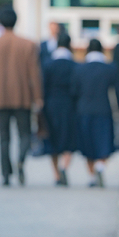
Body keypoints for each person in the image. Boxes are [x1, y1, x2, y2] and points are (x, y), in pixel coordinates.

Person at [0, 7, 43, 186]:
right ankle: (21, 161)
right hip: (23, 97)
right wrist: (38, 97)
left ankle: (5, 174)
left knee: (4, 137)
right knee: (24, 133)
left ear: (0, 23)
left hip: (0, 97)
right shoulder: (28, 45)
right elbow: (35, 73)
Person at [72, 39, 117, 188]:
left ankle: (92, 177)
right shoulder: (110, 68)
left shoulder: (79, 69)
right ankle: (100, 167)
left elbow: (73, 92)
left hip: (83, 110)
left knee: (88, 145)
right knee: (103, 143)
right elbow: (118, 93)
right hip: (104, 110)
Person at [43, 33, 78, 186]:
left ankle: (56, 174)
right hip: (69, 104)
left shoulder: (48, 63)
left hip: (51, 104)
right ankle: (65, 166)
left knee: (53, 138)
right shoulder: (75, 65)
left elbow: (43, 87)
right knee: (68, 137)